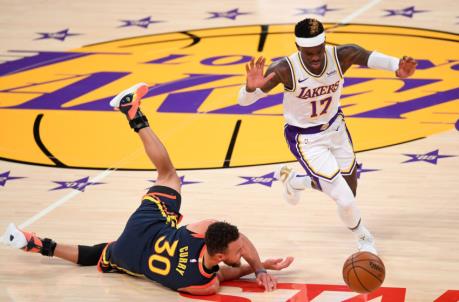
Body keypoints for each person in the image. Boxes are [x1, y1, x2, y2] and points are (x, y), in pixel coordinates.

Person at [2, 83, 293, 296]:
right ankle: (35, 244)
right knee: (99, 253)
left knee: (168, 175)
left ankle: (133, 113)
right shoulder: (204, 284)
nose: (243, 250)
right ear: (217, 255)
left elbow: (227, 263)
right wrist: (258, 268)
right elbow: (227, 270)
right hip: (131, 254)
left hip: (147, 228)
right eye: (239, 249)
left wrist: (255, 267)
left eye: (239, 250)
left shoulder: (203, 236)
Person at [237, 18, 417, 255]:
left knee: (349, 190)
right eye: (309, 52)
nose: (315, 57)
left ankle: (296, 182)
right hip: (305, 139)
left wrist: (397, 67)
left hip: (336, 128)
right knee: (345, 200)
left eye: (319, 50)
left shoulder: (342, 55)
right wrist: (250, 89)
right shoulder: (284, 69)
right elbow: (243, 101)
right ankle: (364, 238)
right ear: (298, 47)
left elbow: (368, 56)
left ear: (325, 43)